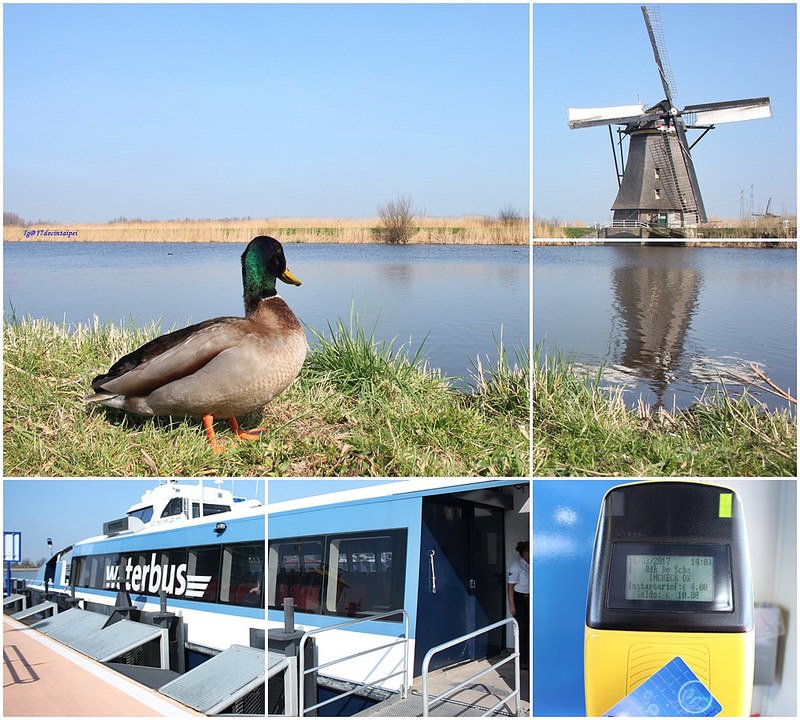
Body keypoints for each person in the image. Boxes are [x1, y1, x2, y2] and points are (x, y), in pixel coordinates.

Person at [507, 540, 530, 669]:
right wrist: (512, 604)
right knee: (523, 629)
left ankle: (528, 656)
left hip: (529, 598)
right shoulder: (516, 566)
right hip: (520, 599)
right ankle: (521, 659)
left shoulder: (530, 565)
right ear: (523, 552)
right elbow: (510, 587)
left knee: (529, 629)